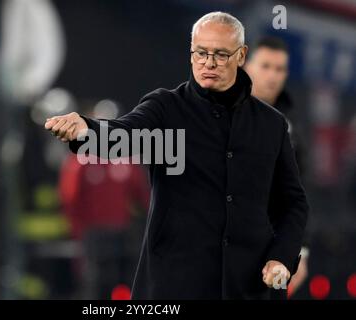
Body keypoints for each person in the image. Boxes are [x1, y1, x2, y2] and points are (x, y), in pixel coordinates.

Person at [44, 12, 309, 299]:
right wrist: (87, 131)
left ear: (241, 56)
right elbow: (123, 135)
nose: (208, 63)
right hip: (174, 289)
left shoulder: (271, 125)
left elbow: (293, 202)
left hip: (249, 288)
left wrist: (281, 257)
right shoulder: (166, 110)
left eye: (220, 54)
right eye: (201, 53)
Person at [245, 36, 310, 298]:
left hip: (273, 249)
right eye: (265, 66)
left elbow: (299, 193)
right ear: (247, 65)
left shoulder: (290, 126)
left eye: (280, 69)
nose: (273, 75)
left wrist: (300, 249)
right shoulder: (222, 114)